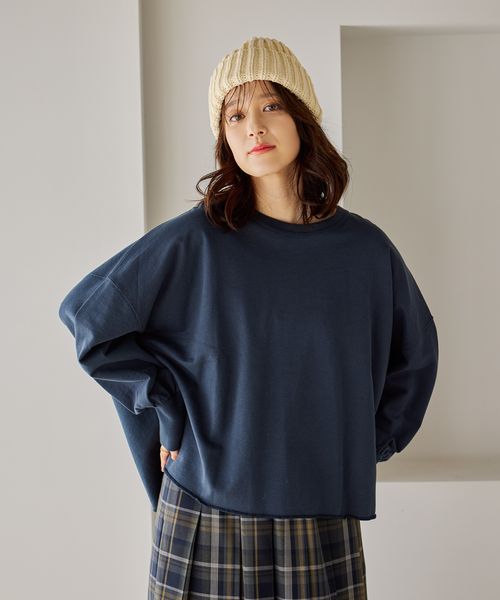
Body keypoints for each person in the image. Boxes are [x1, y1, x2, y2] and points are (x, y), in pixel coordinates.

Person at [58, 36, 439, 600]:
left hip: (320, 512)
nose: (254, 126)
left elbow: (417, 356)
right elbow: (89, 317)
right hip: (204, 509)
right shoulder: (195, 240)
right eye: (235, 115)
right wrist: (165, 407)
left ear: (302, 117)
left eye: (271, 105)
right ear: (224, 137)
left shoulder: (364, 251)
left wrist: (364, 443)